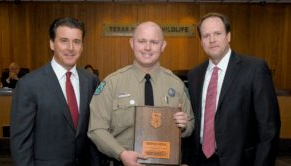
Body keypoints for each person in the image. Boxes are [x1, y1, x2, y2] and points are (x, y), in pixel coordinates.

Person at [87, 21, 195, 166]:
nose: (147, 47)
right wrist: (121, 154)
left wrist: (184, 125)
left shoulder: (177, 84)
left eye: (154, 42)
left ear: (163, 46)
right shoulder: (112, 83)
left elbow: (190, 124)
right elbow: (96, 129)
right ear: (132, 43)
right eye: (142, 41)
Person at [181, 13, 281, 166]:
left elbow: (269, 129)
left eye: (217, 33)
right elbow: (195, 122)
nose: (212, 40)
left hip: (240, 161)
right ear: (201, 42)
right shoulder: (194, 74)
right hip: (199, 160)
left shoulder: (254, 69)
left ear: (228, 36)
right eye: (206, 35)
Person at [10, 18, 101, 166]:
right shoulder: (29, 84)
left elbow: (93, 132)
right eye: (64, 41)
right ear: (52, 44)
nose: (70, 48)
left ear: (82, 46)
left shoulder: (91, 81)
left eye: (76, 42)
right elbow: (20, 142)